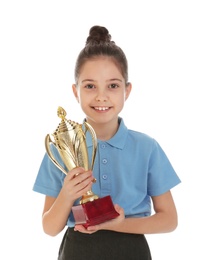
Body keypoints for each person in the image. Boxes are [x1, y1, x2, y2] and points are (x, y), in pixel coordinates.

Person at [33, 25, 181, 260]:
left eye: (112, 85)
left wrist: (114, 224)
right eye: (90, 86)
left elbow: (169, 220)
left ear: (127, 90)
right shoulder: (61, 148)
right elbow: (49, 228)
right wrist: (67, 194)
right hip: (78, 250)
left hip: (132, 250)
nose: (101, 96)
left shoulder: (147, 148)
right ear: (75, 91)